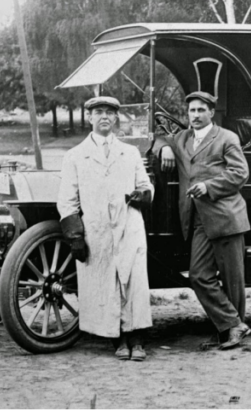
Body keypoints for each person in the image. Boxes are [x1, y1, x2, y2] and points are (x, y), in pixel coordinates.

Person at [57, 96, 154, 361]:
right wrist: (75, 236)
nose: (104, 117)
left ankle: (137, 339)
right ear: (89, 117)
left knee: (133, 281)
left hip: (129, 225)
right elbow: (67, 201)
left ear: (116, 118)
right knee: (107, 283)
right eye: (99, 112)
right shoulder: (76, 156)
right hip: (97, 229)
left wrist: (142, 193)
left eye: (110, 113)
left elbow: (146, 185)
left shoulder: (130, 152)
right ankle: (118, 340)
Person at [159, 91, 251, 350]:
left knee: (233, 280)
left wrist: (208, 186)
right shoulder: (181, 138)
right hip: (197, 220)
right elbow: (160, 138)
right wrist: (164, 146)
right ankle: (232, 324)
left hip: (225, 217)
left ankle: (231, 330)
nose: (196, 115)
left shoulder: (226, 138)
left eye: (201, 110)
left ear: (211, 112)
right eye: (192, 111)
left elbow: (240, 173)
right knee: (199, 275)